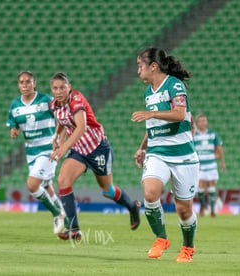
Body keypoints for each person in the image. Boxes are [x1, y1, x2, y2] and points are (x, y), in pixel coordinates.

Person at [49, 72, 140, 240]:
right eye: (55, 88)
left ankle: (132, 206)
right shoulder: (54, 105)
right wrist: (57, 138)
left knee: (107, 190)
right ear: (52, 90)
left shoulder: (76, 99)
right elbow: (62, 122)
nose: (59, 91)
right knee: (63, 180)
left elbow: (81, 127)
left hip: (98, 148)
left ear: (69, 87)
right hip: (79, 150)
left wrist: (62, 149)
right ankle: (74, 228)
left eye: (62, 87)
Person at [131, 47, 199, 262]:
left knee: (183, 209)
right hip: (158, 151)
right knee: (150, 193)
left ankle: (188, 247)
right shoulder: (148, 91)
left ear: (153, 66)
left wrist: (151, 113)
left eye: (140, 66)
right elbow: (153, 124)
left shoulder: (174, 85)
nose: (138, 71)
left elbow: (179, 114)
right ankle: (161, 238)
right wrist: (143, 147)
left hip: (183, 155)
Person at [6, 71, 67, 234]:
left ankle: (57, 214)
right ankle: (68, 222)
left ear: (34, 83)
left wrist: (60, 141)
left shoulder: (47, 100)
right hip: (31, 150)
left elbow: (62, 119)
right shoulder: (15, 105)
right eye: (21, 82)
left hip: (48, 147)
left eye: (28, 82)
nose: (25, 85)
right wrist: (14, 130)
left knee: (32, 185)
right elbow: (14, 123)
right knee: (46, 185)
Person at [193, 114, 226, 217]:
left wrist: (222, 161)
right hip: (200, 166)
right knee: (201, 190)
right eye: (200, 121)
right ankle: (203, 206)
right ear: (197, 123)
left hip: (211, 164)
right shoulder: (194, 135)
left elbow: (219, 147)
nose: (203, 122)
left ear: (206, 122)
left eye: (204, 120)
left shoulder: (212, 134)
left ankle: (212, 210)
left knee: (212, 188)